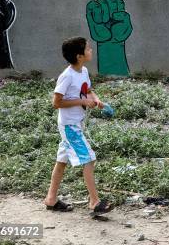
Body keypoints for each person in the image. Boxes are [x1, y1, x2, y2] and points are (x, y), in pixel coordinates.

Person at [43, 37, 113, 216]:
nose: (91, 50)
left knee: (62, 161)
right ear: (79, 55)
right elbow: (56, 102)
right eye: (88, 49)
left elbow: (88, 90)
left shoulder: (83, 71)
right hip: (69, 126)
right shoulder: (67, 76)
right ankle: (94, 202)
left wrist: (96, 100)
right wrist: (82, 101)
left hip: (76, 123)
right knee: (89, 159)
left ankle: (51, 199)